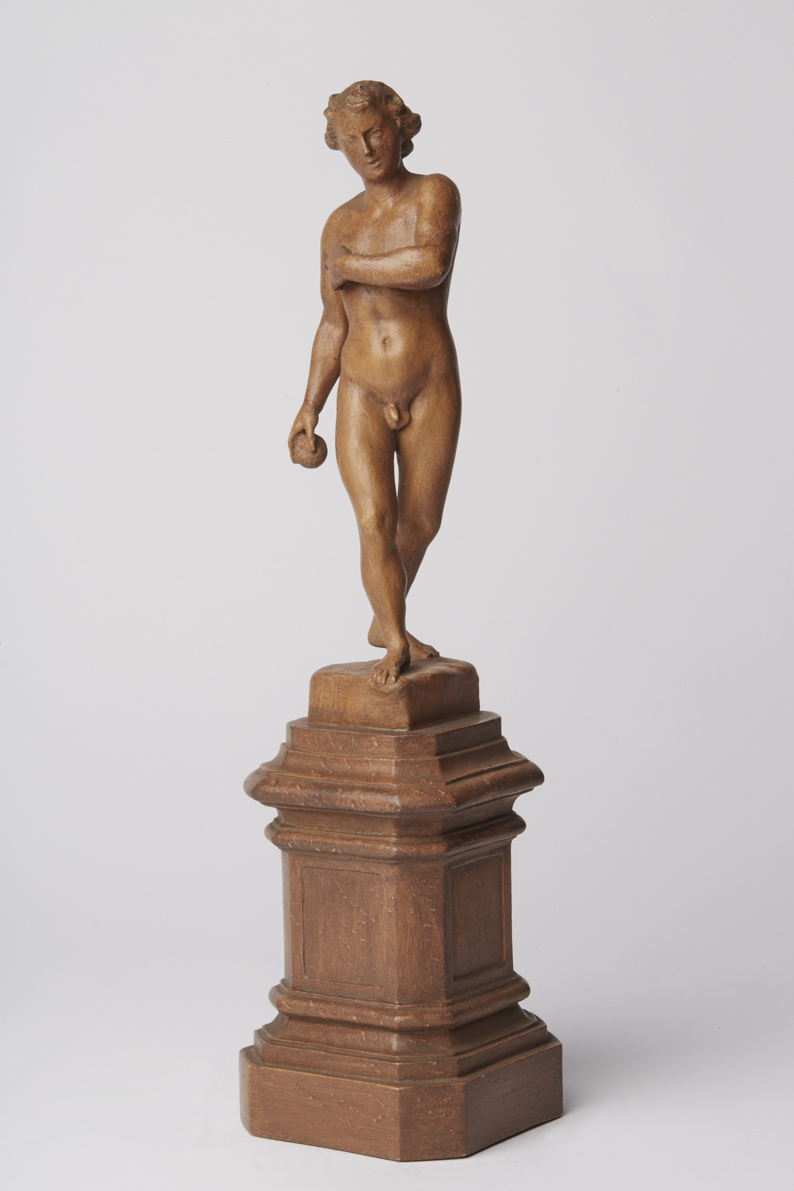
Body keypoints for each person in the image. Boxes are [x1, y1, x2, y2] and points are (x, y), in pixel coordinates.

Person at [288, 81, 462, 684]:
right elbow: (333, 322)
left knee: (421, 522)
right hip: (361, 388)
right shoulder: (338, 224)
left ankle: (383, 616)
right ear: (335, 144)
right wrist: (309, 404)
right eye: (352, 139)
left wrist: (351, 267)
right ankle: (393, 638)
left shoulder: (434, 192)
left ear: (399, 127)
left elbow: (429, 263)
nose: (366, 149)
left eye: (376, 132)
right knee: (373, 521)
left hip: (429, 382)